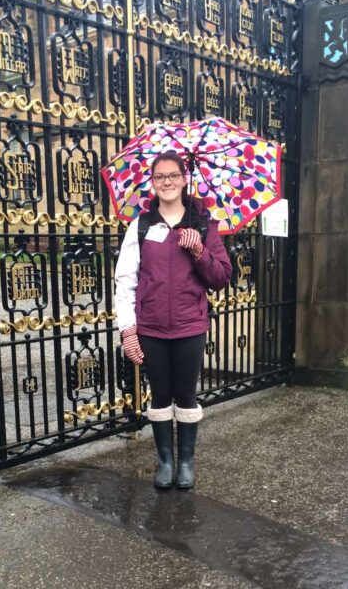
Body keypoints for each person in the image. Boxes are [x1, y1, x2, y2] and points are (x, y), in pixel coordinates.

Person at [114, 152, 232, 489]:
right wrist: (128, 330)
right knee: (160, 394)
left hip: (189, 326)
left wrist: (199, 251)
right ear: (153, 183)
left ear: (183, 179)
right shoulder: (141, 226)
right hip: (150, 327)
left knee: (186, 394)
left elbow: (221, 277)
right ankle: (165, 460)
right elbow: (126, 280)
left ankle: (187, 461)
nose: (166, 182)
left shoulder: (203, 225)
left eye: (173, 175)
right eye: (159, 177)